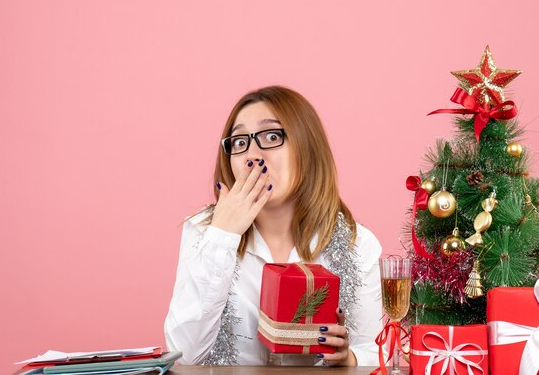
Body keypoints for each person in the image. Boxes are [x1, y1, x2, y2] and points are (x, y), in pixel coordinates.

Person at [164, 85, 383, 366]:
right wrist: (223, 235)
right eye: (240, 142)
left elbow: (376, 354)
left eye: (271, 136)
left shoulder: (357, 243)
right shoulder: (203, 232)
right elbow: (186, 355)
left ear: (307, 146)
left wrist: (348, 358)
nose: (252, 155)